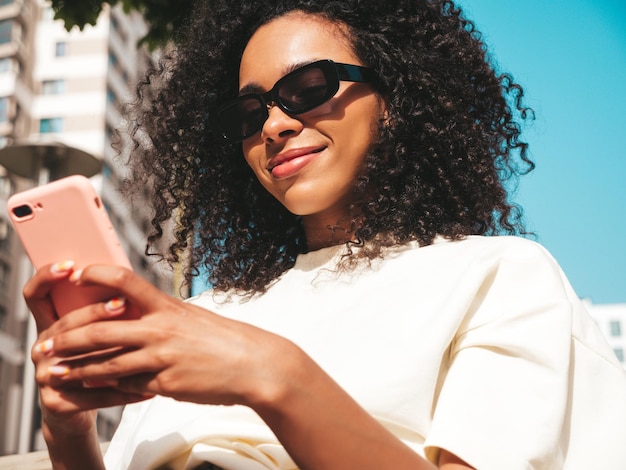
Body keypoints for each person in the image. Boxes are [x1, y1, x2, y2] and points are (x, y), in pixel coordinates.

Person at [24, 0, 626, 469]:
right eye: (249, 113)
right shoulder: (205, 314)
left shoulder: (499, 275)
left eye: (309, 89)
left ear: (394, 97)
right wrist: (67, 428)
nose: (277, 126)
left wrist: (272, 373)